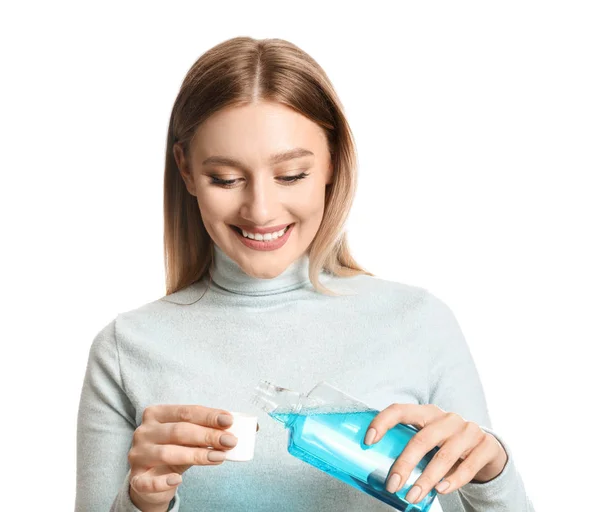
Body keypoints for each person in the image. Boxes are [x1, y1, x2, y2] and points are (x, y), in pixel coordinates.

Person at [75, 36, 534, 512]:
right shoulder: (127, 349)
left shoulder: (418, 322)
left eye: (291, 174)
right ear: (186, 171)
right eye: (226, 179)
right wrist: (140, 503)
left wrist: (491, 472)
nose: (261, 210)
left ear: (333, 160)